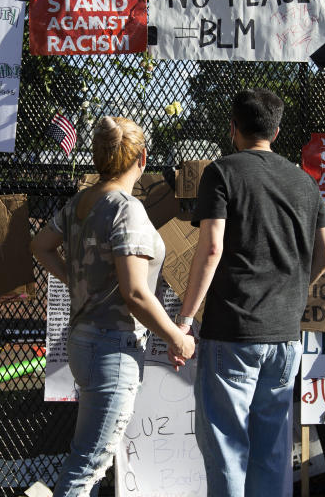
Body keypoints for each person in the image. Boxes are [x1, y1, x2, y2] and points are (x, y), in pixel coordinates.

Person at [175, 88, 325, 497]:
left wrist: (186, 319)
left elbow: (211, 248)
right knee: (272, 453)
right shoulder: (305, 183)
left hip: (232, 331)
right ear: (277, 131)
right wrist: (295, 294)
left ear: (234, 128)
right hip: (285, 336)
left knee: (228, 448)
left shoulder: (222, 172)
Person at [32, 116, 196, 497]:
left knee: (89, 458)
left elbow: (39, 245)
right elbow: (136, 293)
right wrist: (176, 337)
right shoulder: (127, 209)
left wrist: (76, 281)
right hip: (112, 346)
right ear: (142, 158)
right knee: (88, 464)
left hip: (85, 339)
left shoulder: (80, 203)